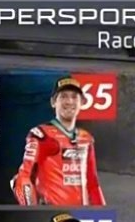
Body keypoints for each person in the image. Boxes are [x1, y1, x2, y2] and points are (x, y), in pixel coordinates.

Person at [11, 76, 106, 206]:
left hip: (81, 215)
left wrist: (103, 213)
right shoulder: (41, 134)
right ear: (53, 102)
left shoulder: (86, 138)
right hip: (52, 214)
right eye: (63, 96)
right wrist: (32, 210)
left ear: (82, 103)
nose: (69, 101)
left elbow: (93, 184)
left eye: (74, 97)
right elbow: (23, 177)